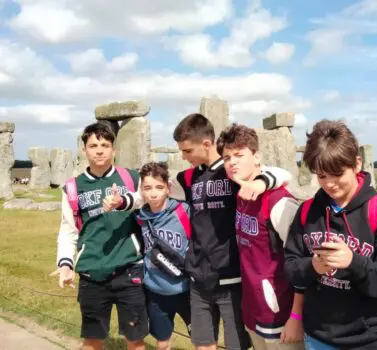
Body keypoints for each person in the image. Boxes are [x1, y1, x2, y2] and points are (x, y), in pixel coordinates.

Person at [103, 113, 291, 350]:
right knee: (202, 344)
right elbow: (154, 193)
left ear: (206, 144)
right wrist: (122, 201)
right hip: (198, 277)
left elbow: (282, 175)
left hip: (232, 278)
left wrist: (260, 183)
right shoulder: (189, 177)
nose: (183, 156)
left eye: (187, 151)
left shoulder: (232, 170)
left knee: (237, 346)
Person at [284, 120, 377, 350]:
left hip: (368, 340)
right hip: (318, 337)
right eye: (321, 176)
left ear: (357, 163)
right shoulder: (307, 211)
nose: (329, 184)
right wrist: (313, 266)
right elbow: (290, 268)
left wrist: (354, 262)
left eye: (337, 173)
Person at [51, 122, 148, 350]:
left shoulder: (131, 178)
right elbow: (68, 230)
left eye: (105, 145)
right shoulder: (72, 188)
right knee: (92, 340)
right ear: (84, 149)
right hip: (91, 271)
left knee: (135, 339)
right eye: (93, 145)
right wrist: (65, 264)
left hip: (129, 269)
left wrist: (123, 201)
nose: (99, 150)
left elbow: (146, 198)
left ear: (114, 149)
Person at [217, 123, 305, 350]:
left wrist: (295, 317)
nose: (232, 162)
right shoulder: (241, 194)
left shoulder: (279, 201)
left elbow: (304, 262)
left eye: (239, 154)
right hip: (253, 307)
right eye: (227, 157)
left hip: (280, 314)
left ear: (257, 157)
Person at [134, 162, 192, 350]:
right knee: (162, 342)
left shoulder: (184, 211)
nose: (153, 193)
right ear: (141, 190)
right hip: (156, 292)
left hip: (187, 289)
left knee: (201, 339)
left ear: (168, 188)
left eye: (159, 187)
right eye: (147, 188)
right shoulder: (140, 217)